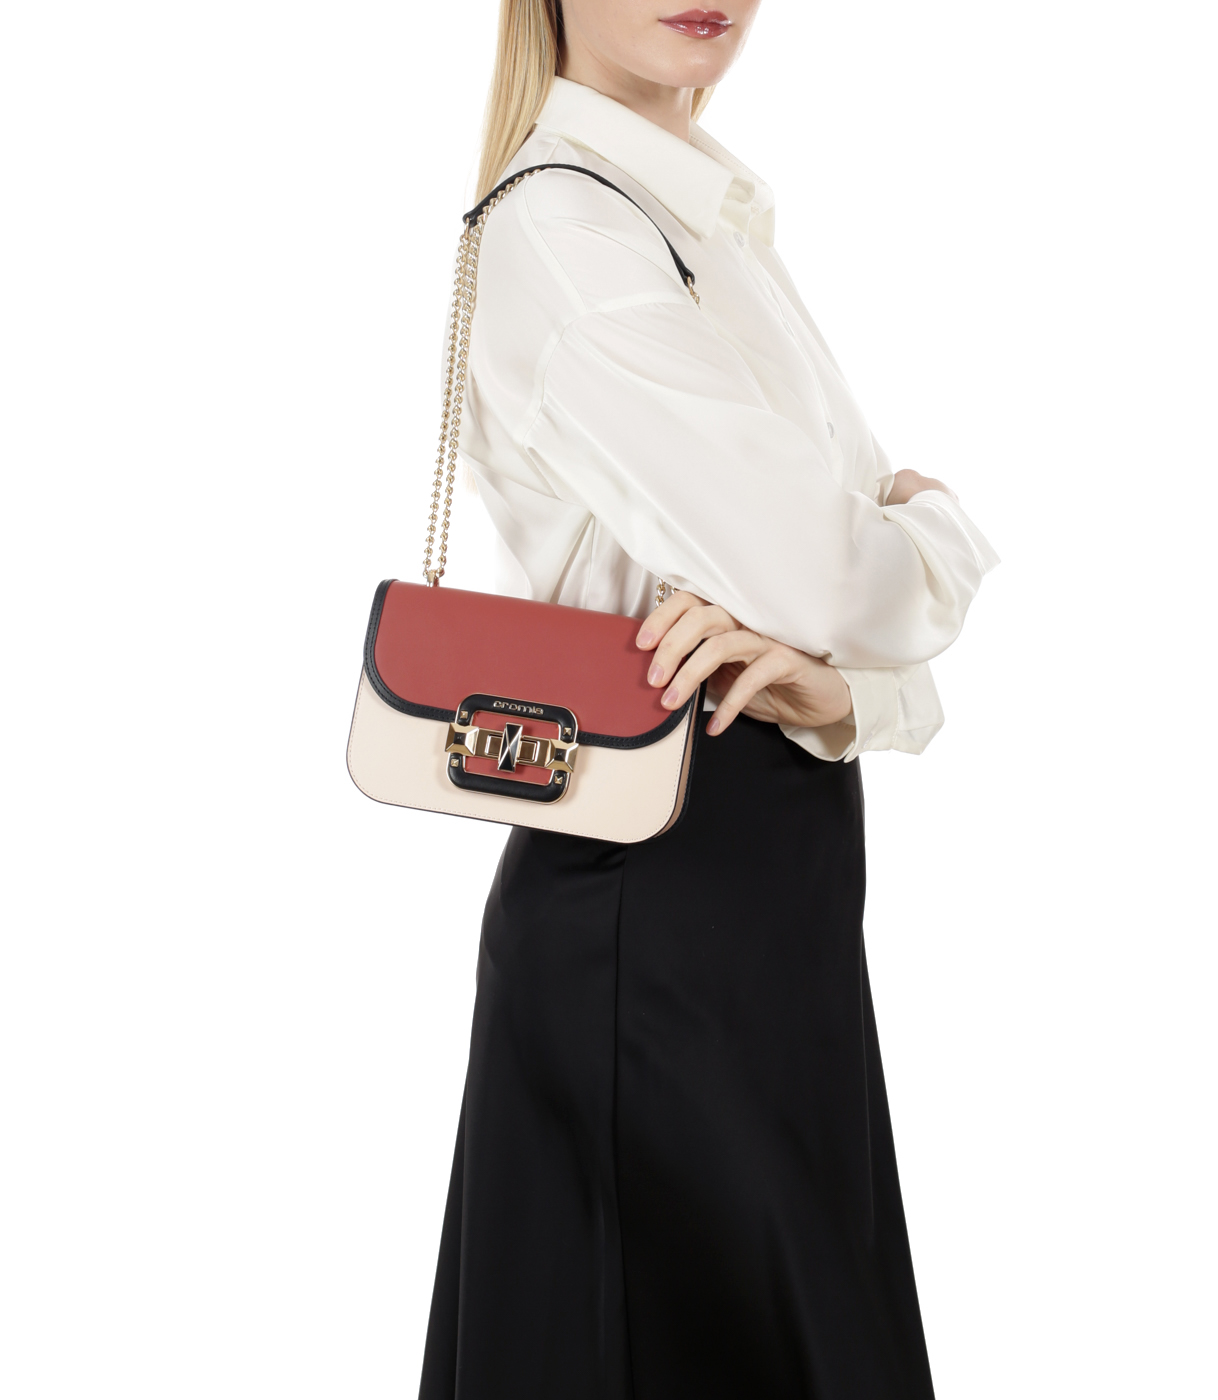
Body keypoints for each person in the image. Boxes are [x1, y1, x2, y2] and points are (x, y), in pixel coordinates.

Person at [417, 3, 998, 1397]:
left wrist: (845, 688)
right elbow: (839, 570)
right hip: (655, 897)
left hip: (767, 892)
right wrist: (940, 532)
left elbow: (823, 608)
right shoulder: (571, 231)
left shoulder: (702, 222)